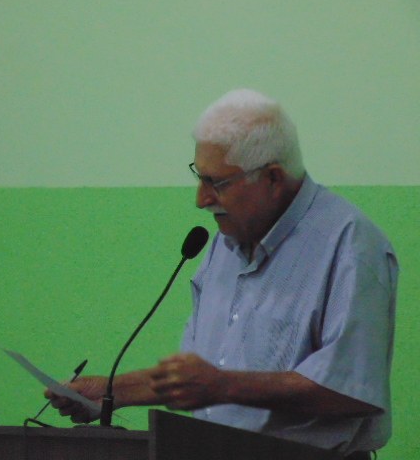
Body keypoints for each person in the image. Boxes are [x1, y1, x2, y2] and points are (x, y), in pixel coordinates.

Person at [46, 89, 398, 458]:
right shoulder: (224, 243)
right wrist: (110, 391)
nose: (201, 199)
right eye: (199, 178)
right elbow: (201, 380)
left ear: (273, 178)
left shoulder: (350, 245)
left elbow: (351, 390)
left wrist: (224, 386)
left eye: (217, 183)